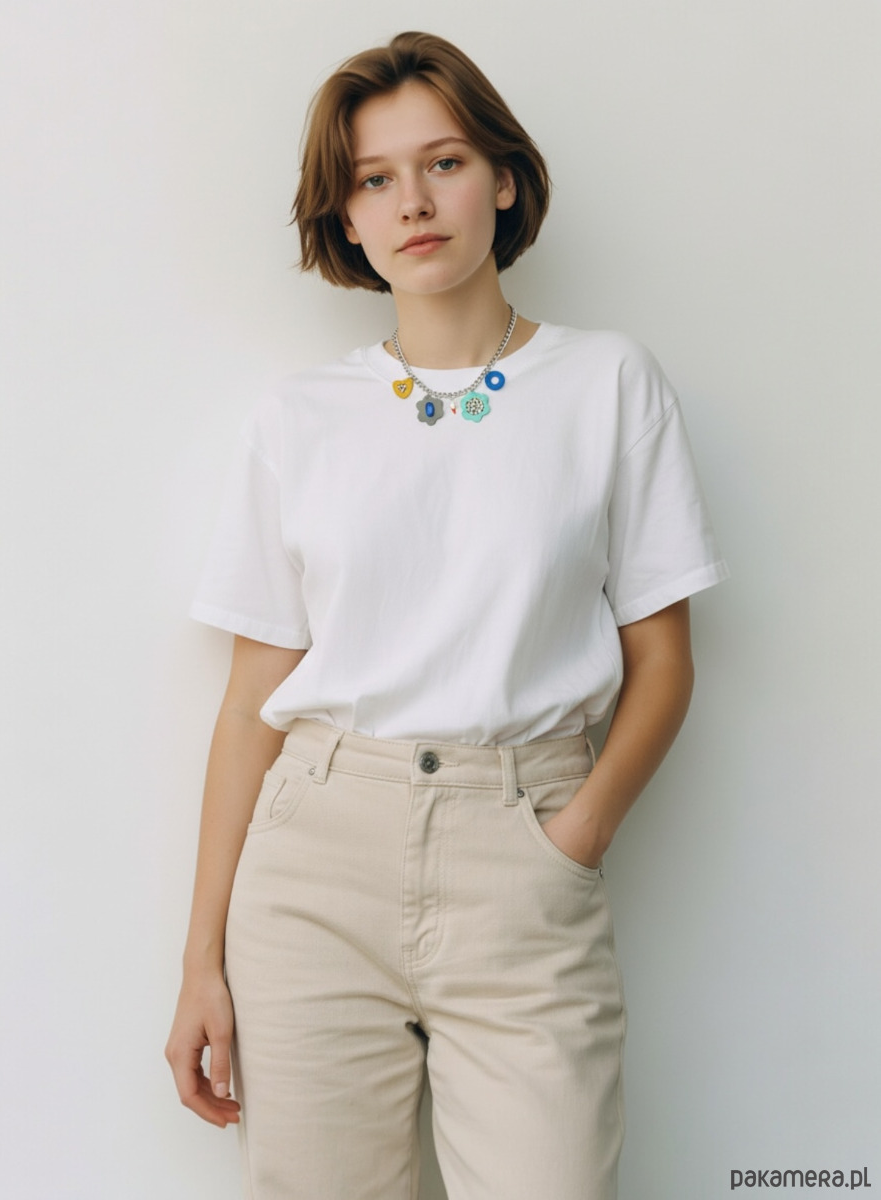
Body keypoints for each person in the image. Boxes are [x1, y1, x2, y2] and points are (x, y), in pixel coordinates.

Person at [165, 30, 729, 1200]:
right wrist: (200, 960)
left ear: (504, 180)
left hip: (522, 850)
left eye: (445, 163)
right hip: (313, 866)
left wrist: (572, 840)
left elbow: (664, 661)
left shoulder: (609, 384)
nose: (412, 203)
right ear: (347, 217)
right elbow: (249, 699)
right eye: (374, 180)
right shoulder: (298, 420)